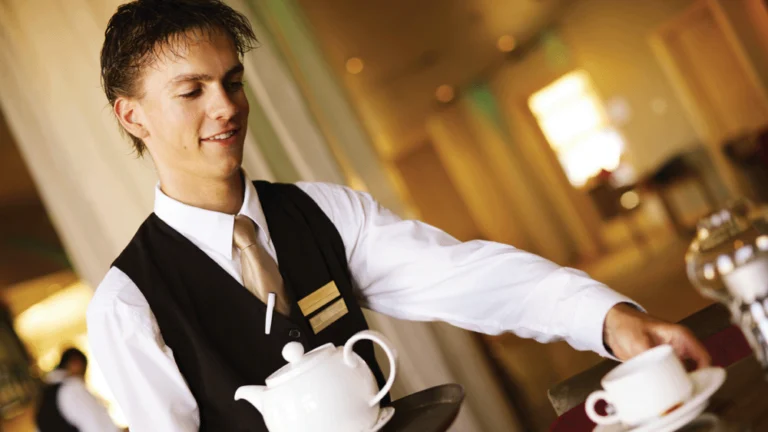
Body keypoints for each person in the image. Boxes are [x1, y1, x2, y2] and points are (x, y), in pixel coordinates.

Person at [86, 1, 711, 430]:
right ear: (133, 116)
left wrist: (608, 318)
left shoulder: (323, 211)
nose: (225, 107)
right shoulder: (128, 303)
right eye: (191, 91)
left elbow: (467, 275)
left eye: (233, 81)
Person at [35, 348, 120, 432]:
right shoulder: (72, 388)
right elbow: (96, 425)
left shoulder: (45, 395)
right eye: (84, 371)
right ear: (76, 363)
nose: (84, 379)